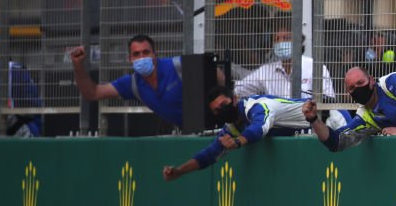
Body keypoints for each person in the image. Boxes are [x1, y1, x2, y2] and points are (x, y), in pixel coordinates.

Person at [162, 86, 310, 182]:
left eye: (223, 104)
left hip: (322, 123)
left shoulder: (257, 106)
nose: (221, 111)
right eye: (216, 111)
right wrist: (179, 171)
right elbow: (210, 154)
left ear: (234, 99)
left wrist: (238, 142)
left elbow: (259, 128)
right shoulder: (232, 127)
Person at [303, 66, 396, 152]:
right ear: (348, 93)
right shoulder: (365, 116)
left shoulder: (390, 82)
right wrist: (313, 119)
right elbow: (336, 142)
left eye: (360, 83)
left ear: (371, 81)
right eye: (352, 88)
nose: (357, 89)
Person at [70, 34, 183, 127]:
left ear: (154, 55)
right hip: (187, 132)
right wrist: (78, 65)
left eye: (146, 52)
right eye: (136, 54)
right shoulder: (132, 84)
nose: (142, 57)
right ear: (130, 59)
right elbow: (92, 93)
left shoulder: (177, 65)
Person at [233, 26, 335, 101]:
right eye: (276, 39)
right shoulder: (266, 70)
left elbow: (328, 98)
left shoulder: (314, 67)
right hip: (278, 124)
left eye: (286, 38)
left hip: (307, 122)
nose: (281, 42)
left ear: (298, 41)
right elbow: (239, 90)